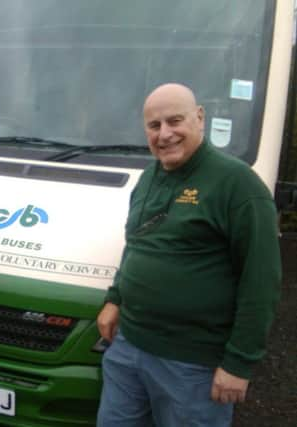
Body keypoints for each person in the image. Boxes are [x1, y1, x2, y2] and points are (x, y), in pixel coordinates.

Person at [96, 83, 281, 427]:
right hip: (128, 349)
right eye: (154, 126)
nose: (164, 134)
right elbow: (136, 243)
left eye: (174, 121)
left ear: (199, 118)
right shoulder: (149, 177)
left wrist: (239, 363)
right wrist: (115, 299)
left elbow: (261, 281)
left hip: (193, 366)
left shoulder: (238, 185)